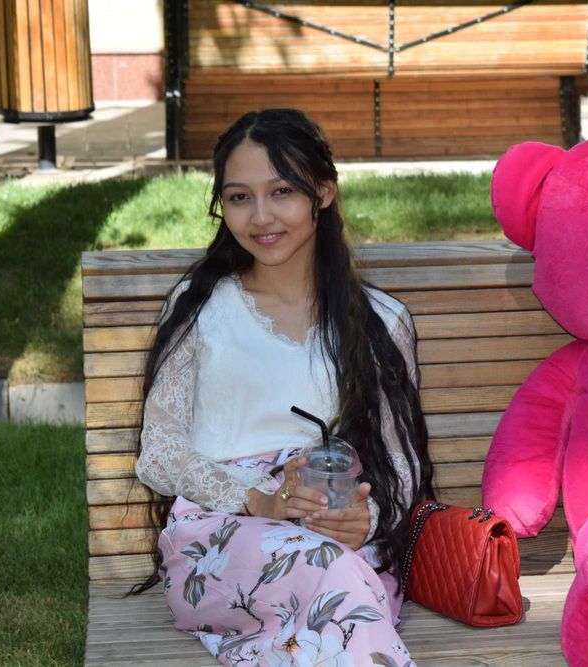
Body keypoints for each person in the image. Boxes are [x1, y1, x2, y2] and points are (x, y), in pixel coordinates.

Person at [132, 108, 433, 666]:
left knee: (334, 579)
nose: (261, 216)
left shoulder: (379, 322)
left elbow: (402, 461)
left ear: (323, 192)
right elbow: (159, 452)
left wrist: (364, 519)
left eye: (282, 191)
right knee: (333, 579)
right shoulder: (202, 311)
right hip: (219, 537)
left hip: (335, 536)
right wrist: (258, 499)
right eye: (239, 197)